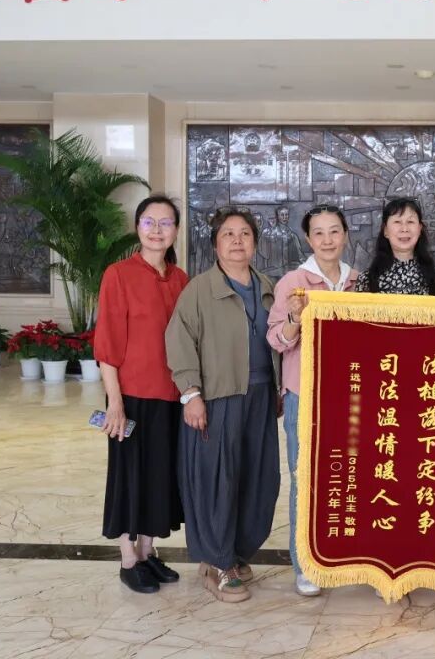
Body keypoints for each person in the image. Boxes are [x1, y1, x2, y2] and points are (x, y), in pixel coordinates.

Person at [165, 207, 283, 603]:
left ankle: (234, 550)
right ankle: (217, 562)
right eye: (228, 234)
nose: (237, 241)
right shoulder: (199, 289)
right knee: (218, 479)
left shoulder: (268, 287)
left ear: (255, 242)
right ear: (215, 244)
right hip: (217, 398)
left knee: (258, 478)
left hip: (261, 397)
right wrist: (191, 394)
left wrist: (280, 388)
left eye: (244, 233)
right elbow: (179, 340)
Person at [94, 194, 189, 594]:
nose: (156, 230)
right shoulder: (118, 275)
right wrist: (115, 403)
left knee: (159, 476)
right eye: (149, 222)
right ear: (137, 227)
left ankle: (148, 552)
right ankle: (128, 558)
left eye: (165, 223)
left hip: (170, 396)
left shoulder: (181, 280)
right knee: (128, 476)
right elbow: (107, 345)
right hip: (130, 396)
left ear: (176, 231)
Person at [266, 204, 358, 597]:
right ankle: (305, 564)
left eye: (334, 231)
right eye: (318, 233)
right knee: (305, 480)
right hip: (304, 396)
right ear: (308, 238)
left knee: (347, 478)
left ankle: (342, 556)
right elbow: (275, 340)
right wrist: (294, 318)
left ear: (345, 235)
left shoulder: (358, 282)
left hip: (350, 398)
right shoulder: (294, 282)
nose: (327, 240)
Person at [353, 197, 435, 296]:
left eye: (410, 222)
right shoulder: (366, 280)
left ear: (420, 229)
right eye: (397, 222)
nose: (404, 229)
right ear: (385, 230)